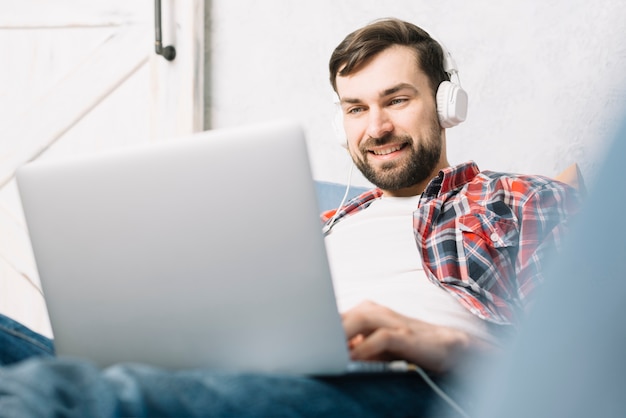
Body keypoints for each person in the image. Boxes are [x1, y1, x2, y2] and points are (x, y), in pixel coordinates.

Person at [0, 18, 579, 417]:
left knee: (58, 397)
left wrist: (446, 344)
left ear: (447, 104)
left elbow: (584, 368)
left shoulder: (518, 200)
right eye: (356, 108)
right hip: (237, 372)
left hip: (402, 385)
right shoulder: (319, 223)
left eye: (396, 101)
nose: (375, 128)